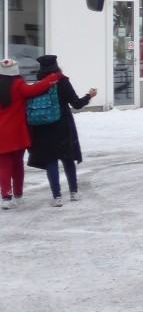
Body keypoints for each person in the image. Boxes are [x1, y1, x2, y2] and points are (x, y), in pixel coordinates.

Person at [26, 55, 95, 206]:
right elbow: (76, 104)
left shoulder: (38, 84)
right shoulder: (62, 82)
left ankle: (57, 196)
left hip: (43, 129)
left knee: (51, 160)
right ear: (56, 67)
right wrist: (89, 96)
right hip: (63, 125)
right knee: (67, 158)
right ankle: (74, 192)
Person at [0, 58, 61, 209]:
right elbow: (37, 89)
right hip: (17, 133)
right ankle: (18, 195)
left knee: (4, 165)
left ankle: (6, 197)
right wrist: (54, 77)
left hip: (1, 134)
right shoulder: (19, 85)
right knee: (17, 164)